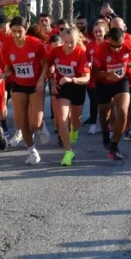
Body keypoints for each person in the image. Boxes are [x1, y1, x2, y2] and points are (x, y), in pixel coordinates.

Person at [0, 16, 51, 165]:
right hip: (18, 84)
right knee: (22, 120)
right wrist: (4, 74)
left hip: (36, 84)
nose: (16, 35)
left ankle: (41, 126)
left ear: (26, 29)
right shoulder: (7, 46)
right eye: (13, 31)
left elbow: (46, 62)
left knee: (35, 121)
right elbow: (9, 68)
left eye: (19, 31)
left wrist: (42, 79)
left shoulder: (35, 43)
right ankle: (32, 152)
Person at [47, 26, 91, 166]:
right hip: (62, 87)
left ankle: (75, 128)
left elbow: (87, 78)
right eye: (66, 42)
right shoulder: (56, 51)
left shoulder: (81, 53)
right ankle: (68, 151)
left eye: (72, 42)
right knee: (62, 119)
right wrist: (52, 82)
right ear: (62, 41)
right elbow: (48, 64)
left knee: (75, 121)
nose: (69, 45)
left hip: (77, 86)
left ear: (78, 40)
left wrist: (72, 79)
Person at [93, 27, 131, 160]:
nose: (117, 49)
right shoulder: (100, 50)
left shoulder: (128, 45)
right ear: (108, 40)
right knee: (104, 114)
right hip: (104, 83)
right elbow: (94, 73)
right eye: (113, 46)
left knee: (123, 112)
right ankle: (105, 132)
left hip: (121, 82)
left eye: (120, 46)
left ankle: (114, 145)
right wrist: (107, 74)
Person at [109, 17, 131, 141]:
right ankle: (112, 129)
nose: (117, 30)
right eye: (114, 28)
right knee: (110, 104)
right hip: (109, 78)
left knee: (127, 105)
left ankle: (127, 129)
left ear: (124, 27)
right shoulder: (107, 40)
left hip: (128, 77)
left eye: (119, 28)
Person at [85, 19, 109, 135]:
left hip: (105, 78)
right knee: (94, 101)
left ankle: (103, 123)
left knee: (104, 102)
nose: (98, 34)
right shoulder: (89, 46)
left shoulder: (109, 45)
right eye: (96, 32)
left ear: (105, 32)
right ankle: (93, 123)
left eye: (100, 31)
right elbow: (86, 60)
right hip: (92, 78)